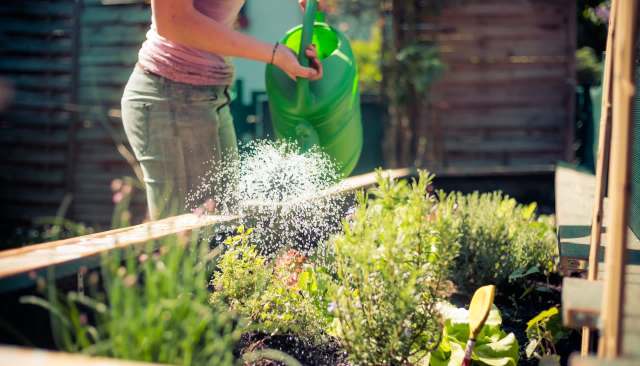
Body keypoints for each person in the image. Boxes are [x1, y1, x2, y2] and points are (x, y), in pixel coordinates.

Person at [121, 0, 324, 220]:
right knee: (190, 241)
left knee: (225, 227)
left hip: (211, 95)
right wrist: (276, 55)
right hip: (171, 95)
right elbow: (172, 21)